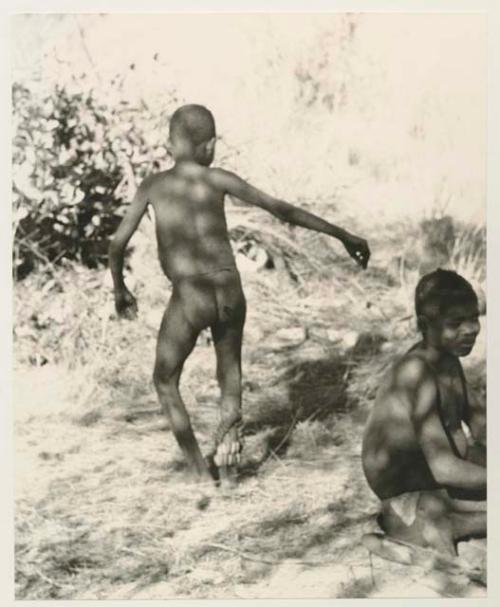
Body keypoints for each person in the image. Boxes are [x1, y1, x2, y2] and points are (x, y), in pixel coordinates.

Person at [109, 104, 370, 484]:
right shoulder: (219, 179)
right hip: (230, 287)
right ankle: (230, 472)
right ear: (209, 145)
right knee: (228, 373)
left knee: (165, 381)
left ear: (170, 144)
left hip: (190, 294)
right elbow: (282, 210)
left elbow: (117, 244)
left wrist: (120, 288)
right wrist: (343, 235)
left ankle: (201, 474)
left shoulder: (153, 186)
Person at [362, 269, 486, 556]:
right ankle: (427, 529)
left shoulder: (449, 361)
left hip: (442, 485)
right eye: (456, 322)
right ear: (424, 325)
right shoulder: (416, 372)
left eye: (474, 318)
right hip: (411, 496)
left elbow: (483, 425)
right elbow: (444, 468)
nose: (471, 329)